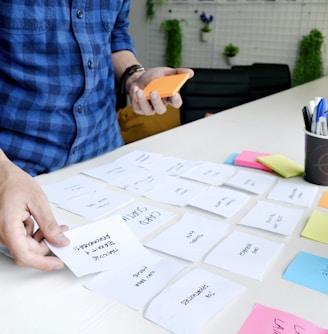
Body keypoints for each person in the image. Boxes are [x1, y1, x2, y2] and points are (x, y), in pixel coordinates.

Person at [0, 2, 193, 271]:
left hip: (107, 157)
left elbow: (115, 34)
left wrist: (134, 76)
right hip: (17, 171)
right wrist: (3, 173)